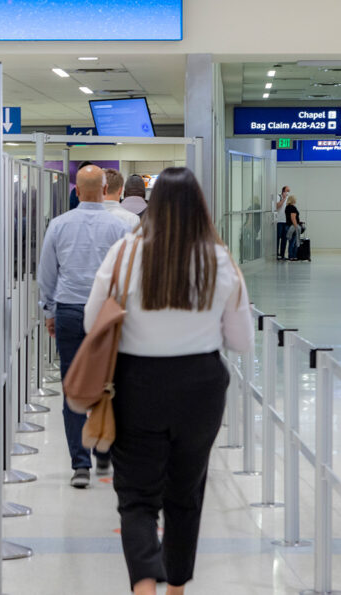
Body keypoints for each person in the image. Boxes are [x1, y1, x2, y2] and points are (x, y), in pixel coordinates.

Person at [84, 167, 253, 595]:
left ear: (153, 207)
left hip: (136, 382)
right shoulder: (220, 259)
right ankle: (176, 588)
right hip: (201, 386)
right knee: (186, 491)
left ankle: (143, 586)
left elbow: (92, 322)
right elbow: (241, 340)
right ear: (200, 208)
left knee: (137, 495)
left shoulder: (125, 253)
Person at [38, 164, 128, 488]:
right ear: (105, 191)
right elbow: (127, 275)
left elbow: (47, 273)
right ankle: (105, 449)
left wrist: (49, 311)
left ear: (76, 191)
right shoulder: (119, 228)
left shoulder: (59, 225)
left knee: (73, 387)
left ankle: (80, 466)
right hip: (106, 314)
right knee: (111, 383)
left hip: (70, 312)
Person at [275, 185, 290, 260]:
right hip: (279, 221)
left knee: (285, 239)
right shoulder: (279, 197)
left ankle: (282, 254)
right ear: (283, 191)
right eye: (287, 191)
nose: (288, 192)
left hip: (286, 221)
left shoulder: (288, 199)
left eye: (288, 191)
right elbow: (277, 206)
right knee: (278, 238)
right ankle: (276, 254)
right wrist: (283, 199)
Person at [285, 195, 302, 260]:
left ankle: (291, 255)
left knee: (291, 242)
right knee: (294, 242)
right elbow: (293, 218)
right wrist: (296, 226)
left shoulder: (287, 207)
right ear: (293, 200)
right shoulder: (292, 207)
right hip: (292, 227)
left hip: (288, 226)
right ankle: (293, 256)